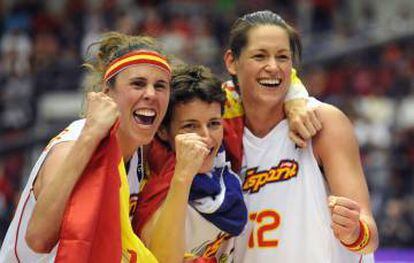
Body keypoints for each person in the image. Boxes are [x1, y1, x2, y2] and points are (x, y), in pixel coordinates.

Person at [222, 10, 379, 262]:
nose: (273, 67)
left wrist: (354, 232)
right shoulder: (217, 130)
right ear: (231, 61)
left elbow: (368, 235)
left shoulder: (323, 122)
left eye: (283, 57)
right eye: (259, 56)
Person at [0, 31, 169, 262]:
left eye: (160, 86)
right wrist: (90, 136)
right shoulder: (74, 145)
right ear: (107, 92)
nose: (150, 94)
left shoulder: (139, 150)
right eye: (138, 83)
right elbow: (38, 238)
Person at [134, 64, 247, 262]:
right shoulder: (153, 185)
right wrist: (182, 176)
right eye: (190, 126)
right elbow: (163, 260)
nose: (206, 137)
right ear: (162, 131)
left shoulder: (229, 161)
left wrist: (295, 100)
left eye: (213, 124)